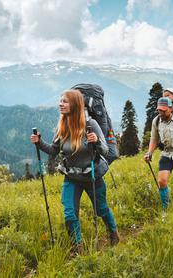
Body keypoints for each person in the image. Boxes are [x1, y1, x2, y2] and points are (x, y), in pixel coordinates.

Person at [30, 89, 119, 253]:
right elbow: (53, 151)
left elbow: (105, 151)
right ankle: (78, 248)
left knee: (101, 209)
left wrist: (97, 141)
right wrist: (39, 142)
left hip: (92, 176)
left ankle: (113, 233)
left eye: (64, 101)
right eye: (60, 100)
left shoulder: (90, 124)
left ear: (75, 105)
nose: (60, 104)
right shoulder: (62, 126)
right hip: (71, 177)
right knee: (70, 214)